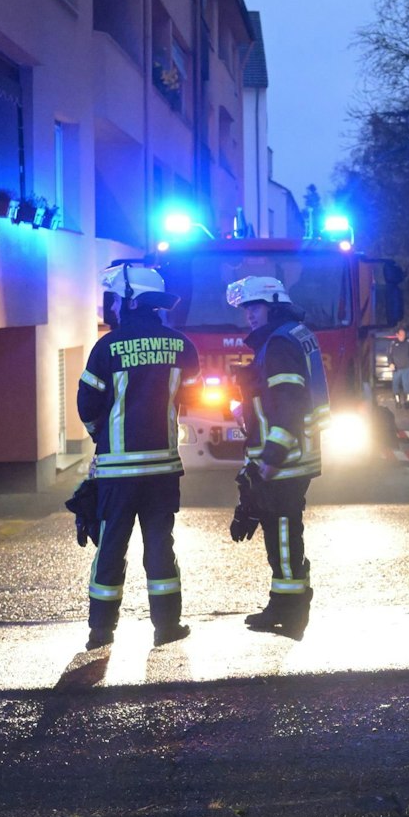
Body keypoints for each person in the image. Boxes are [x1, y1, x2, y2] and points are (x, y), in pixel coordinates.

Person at [75, 262, 199, 649]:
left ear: (130, 301)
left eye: (114, 299)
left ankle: (101, 630)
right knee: (160, 545)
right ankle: (167, 626)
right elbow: (192, 397)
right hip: (163, 468)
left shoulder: (106, 347)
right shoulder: (182, 345)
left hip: (117, 471)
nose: (110, 306)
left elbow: (87, 404)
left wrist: (102, 437)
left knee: (111, 545)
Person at [226, 276, 330, 639]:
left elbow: (289, 404)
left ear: (273, 305)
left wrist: (271, 457)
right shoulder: (291, 334)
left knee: (283, 535)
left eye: (255, 307)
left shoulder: (280, 342)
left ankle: (291, 611)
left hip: (286, 458)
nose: (249, 315)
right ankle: (283, 603)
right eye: (246, 309)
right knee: (283, 532)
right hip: (294, 453)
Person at [387, 330, 409, 407]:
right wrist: (390, 363)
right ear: (397, 335)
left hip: (407, 368)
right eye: (401, 335)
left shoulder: (408, 343)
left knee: (407, 385)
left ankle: (408, 401)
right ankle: (397, 402)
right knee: (395, 385)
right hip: (397, 369)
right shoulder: (393, 344)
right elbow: (389, 355)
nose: (403, 336)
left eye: (404, 335)